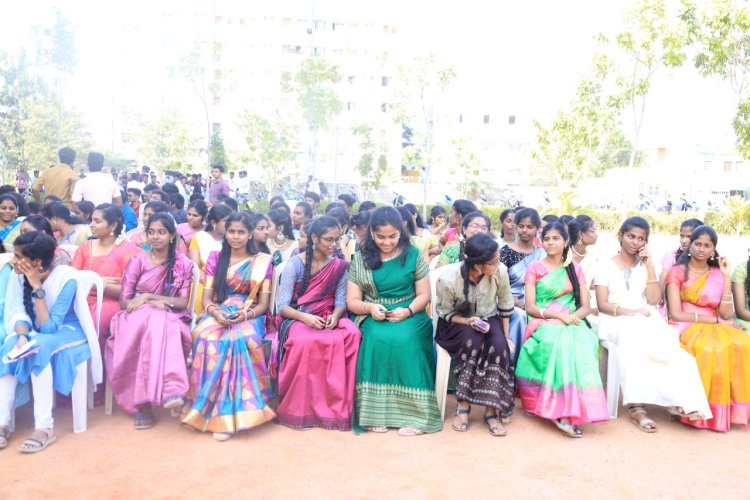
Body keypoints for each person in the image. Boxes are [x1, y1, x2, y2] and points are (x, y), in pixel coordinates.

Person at [594, 217, 711, 432]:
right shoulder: (605, 264)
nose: (635, 242)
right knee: (634, 338)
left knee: (667, 337)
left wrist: (649, 266)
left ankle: (678, 398)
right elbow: (602, 305)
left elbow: (654, 298)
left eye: (641, 239)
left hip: (644, 315)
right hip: (614, 318)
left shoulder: (646, 265)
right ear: (620, 236)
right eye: (631, 236)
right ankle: (636, 406)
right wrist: (629, 312)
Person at [0, 231, 100, 452]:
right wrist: (22, 335)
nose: (13, 261)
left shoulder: (67, 278)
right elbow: (17, 310)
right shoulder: (18, 273)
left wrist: (36, 287)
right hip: (37, 332)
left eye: (18, 256)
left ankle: (45, 427)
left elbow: (49, 327)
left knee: (38, 348)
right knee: (9, 347)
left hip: (68, 331)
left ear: (37, 262)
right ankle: (2, 423)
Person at [346, 206, 440, 435]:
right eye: (380, 237)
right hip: (372, 312)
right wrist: (370, 308)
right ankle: (372, 414)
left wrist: (407, 311)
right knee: (376, 338)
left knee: (406, 339)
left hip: (411, 312)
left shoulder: (414, 254)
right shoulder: (361, 258)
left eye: (392, 236)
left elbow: (424, 295)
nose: (387, 242)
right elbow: (353, 301)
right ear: (371, 233)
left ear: (401, 231)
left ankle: (417, 415)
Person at [182, 213, 275, 441]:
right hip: (219, 310)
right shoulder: (216, 258)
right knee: (204, 336)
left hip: (250, 314)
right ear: (225, 231)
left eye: (241, 232)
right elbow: (206, 299)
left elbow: (263, 304)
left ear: (250, 233)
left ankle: (233, 411)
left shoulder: (263, 261)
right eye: (231, 231)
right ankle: (206, 404)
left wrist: (245, 315)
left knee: (238, 340)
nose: (235, 236)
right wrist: (216, 312)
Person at [515, 222, 608, 438]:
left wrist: (570, 319)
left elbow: (584, 306)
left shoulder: (574, 269)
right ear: (541, 241)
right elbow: (530, 307)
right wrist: (557, 316)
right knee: (558, 340)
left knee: (584, 340)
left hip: (572, 320)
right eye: (546, 238)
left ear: (566, 241)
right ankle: (562, 413)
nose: (550, 242)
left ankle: (574, 407)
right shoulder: (534, 268)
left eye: (556, 238)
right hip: (543, 319)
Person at [106, 213, 193, 428]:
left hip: (169, 317)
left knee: (162, 321)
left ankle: (147, 402)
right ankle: (169, 389)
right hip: (133, 318)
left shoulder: (182, 264)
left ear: (172, 236)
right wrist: (145, 300)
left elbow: (182, 303)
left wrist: (151, 297)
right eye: (151, 232)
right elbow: (125, 302)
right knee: (157, 320)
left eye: (162, 232)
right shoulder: (138, 260)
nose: (155, 237)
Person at [276, 216, 361, 430]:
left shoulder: (340, 266)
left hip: (327, 316)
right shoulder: (295, 264)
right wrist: (306, 318)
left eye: (337, 239)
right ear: (314, 237)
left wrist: (336, 315)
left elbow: (341, 301)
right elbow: (283, 307)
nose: (334, 244)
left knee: (352, 333)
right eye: (328, 239)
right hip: (297, 316)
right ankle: (302, 410)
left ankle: (337, 408)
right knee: (306, 340)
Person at [666, 225, 750, 432]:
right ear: (690, 245)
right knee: (709, 348)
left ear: (713, 249)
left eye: (707, 245)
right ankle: (698, 410)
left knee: (741, 342)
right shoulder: (677, 271)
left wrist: (727, 276)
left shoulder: (716, 273)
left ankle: (732, 411)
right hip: (685, 323)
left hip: (716, 322)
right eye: (698, 244)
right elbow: (675, 313)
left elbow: (726, 314)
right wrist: (714, 322)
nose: (702, 249)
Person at [435, 233, 515, 436]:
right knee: (473, 341)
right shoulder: (449, 279)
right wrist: (467, 320)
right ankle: (463, 406)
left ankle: (491, 411)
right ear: (478, 265)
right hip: (455, 323)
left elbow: (505, 304)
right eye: (494, 262)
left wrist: (506, 337)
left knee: (498, 346)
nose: (498, 264)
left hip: (489, 317)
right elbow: (444, 313)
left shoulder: (500, 272)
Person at [71, 204, 140, 349]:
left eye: (97, 221)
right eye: (91, 220)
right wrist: (95, 281)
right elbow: (72, 278)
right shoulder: (85, 246)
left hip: (111, 303)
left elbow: (129, 292)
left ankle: (99, 366)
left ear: (113, 225)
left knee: (99, 317)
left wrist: (100, 285)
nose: (91, 225)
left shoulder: (130, 252)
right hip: (80, 297)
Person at [499, 208, 546, 360]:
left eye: (530, 227)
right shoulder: (505, 251)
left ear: (538, 229)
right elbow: (499, 284)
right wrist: (516, 302)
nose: (525, 230)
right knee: (520, 316)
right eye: (521, 226)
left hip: (538, 301)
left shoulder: (543, 254)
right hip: (510, 301)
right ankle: (514, 365)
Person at [189, 204, 233, 315]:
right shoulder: (200, 237)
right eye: (226, 221)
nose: (230, 225)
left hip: (227, 283)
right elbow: (195, 267)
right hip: (203, 281)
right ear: (214, 223)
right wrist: (210, 283)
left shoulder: (232, 240)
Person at [659, 218, 703, 291]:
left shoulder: (706, 259)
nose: (684, 241)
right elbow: (661, 286)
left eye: (689, 237)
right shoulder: (671, 257)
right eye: (682, 236)